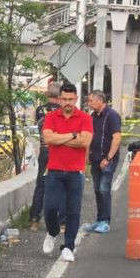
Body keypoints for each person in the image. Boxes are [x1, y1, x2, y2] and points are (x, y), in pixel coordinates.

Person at [41, 83, 93, 262]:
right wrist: (72, 135)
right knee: (50, 207)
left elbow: (84, 142)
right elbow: (48, 138)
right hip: (55, 170)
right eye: (64, 99)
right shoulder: (51, 117)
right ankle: (53, 232)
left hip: (75, 171)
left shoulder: (85, 118)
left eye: (71, 99)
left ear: (76, 99)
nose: (68, 102)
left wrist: (59, 139)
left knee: (73, 211)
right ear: (59, 99)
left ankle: (68, 247)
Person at [83, 90, 121, 234]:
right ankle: (99, 219)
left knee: (104, 188)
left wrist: (108, 158)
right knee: (97, 189)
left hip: (107, 159)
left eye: (91, 100)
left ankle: (105, 221)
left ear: (100, 100)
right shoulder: (93, 117)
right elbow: (90, 136)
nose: (89, 103)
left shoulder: (112, 116)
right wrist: (87, 154)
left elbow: (116, 138)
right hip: (95, 159)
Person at [29, 83, 66, 231]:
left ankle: (34, 219)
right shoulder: (64, 111)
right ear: (60, 96)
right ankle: (62, 222)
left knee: (41, 185)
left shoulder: (39, 110)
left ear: (47, 94)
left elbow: (38, 126)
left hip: (44, 151)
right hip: (60, 152)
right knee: (63, 186)